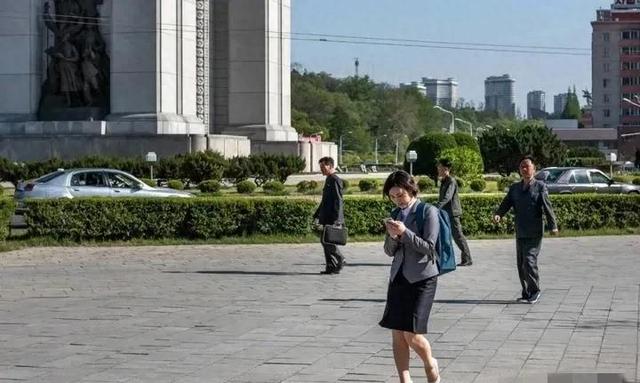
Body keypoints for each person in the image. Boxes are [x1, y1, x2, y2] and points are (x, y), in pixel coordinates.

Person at [379, 170, 440, 383]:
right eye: (393, 196)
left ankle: (430, 362)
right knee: (397, 333)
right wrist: (393, 236)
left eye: (401, 195)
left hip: (422, 278)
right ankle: (405, 380)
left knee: (411, 335)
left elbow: (430, 248)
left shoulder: (428, 211)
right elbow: (389, 251)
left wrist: (405, 233)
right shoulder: (395, 213)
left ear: (411, 190)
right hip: (398, 278)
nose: (398, 200)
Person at [493, 155, 558, 304]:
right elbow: (506, 203)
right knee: (521, 263)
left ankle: (535, 290)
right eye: (522, 166)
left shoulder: (540, 186)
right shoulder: (515, 188)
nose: (524, 169)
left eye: (527, 166)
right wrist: (498, 214)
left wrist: (552, 225)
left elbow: (547, 207)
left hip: (534, 231)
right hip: (520, 230)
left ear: (534, 169)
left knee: (529, 261)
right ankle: (526, 291)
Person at [435, 158, 473, 266]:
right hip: (445, 213)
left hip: (453, 213)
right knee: (444, 236)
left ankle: (467, 258)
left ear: (446, 169)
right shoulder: (444, 181)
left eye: (440, 167)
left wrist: (437, 206)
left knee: (458, 236)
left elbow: (447, 197)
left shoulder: (451, 181)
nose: (438, 169)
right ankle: (442, 258)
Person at [312, 157, 345, 275]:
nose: (321, 169)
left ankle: (339, 258)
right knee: (326, 241)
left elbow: (338, 200)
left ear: (330, 166)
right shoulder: (328, 179)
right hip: (326, 216)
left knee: (326, 241)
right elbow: (325, 201)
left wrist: (338, 219)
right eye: (320, 167)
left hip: (332, 217)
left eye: (323, 167)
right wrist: (317, 214)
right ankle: (331, 267)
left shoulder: (335, 180)